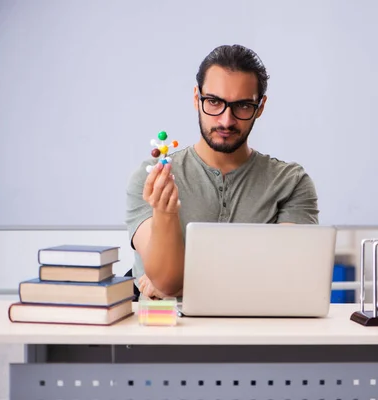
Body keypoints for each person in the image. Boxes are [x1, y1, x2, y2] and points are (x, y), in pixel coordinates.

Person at [125, 44, 319, 299]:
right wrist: (165, 212)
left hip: (255, 334)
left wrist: (188, 286)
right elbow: (167, 281)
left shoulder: (290, 183)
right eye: (214, 102)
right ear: (197, 98)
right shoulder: (152, 178)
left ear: (260, 107)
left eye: (242, 106)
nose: (226, 120)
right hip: (168, 334)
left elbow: (291, 280)